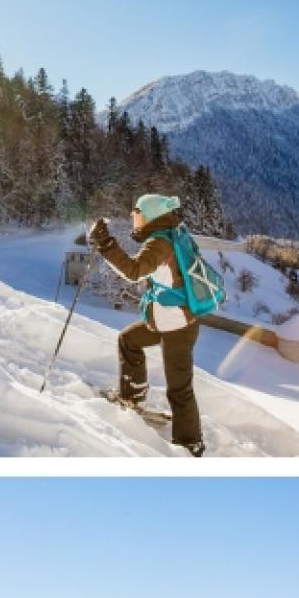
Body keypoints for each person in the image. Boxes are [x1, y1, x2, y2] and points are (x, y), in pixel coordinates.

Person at [87, 193, 206, 456]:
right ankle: (132, 396)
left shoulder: (159, 243)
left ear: (150, 215)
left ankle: (191, 444)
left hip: (178, 326)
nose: (133, 218)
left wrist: (106, 244)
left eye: (137, 213)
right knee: (129, 340)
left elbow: (133, 271)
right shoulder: (172, 232)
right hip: (166, 319)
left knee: (179, 388)